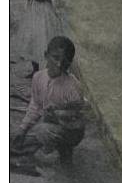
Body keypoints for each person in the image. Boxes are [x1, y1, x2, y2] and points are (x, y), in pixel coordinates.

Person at [11, 36, 85, 166]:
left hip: (69, 130)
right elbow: (35, 105)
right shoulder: (38, 77)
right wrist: (22, 129)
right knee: (15, 139)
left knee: (42, 130)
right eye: (55, 58)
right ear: (46, 55)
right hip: (49, 124)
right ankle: (42, 146)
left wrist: (59, 114)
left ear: (70, 63)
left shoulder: (72, 86)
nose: (59, 64)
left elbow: (77, 118)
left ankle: (64, 149)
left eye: (65, 61)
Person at [15, 0, 69, 77]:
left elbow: (62, 2)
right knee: (34, 41)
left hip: (49, 18)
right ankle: (35, 69)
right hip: (35, 17)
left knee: (47, 42)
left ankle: (47, 71)